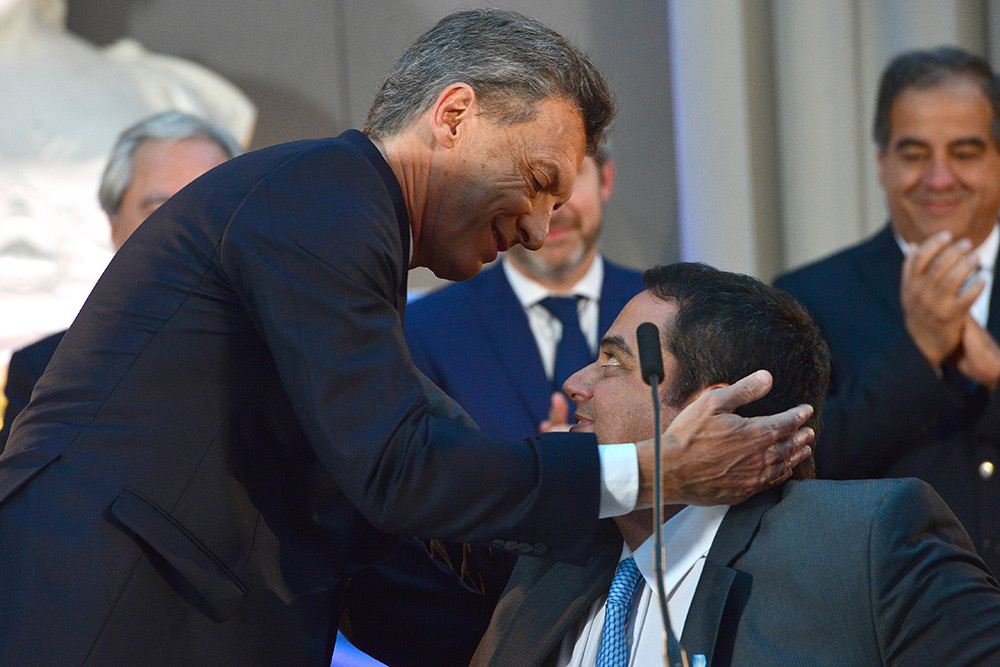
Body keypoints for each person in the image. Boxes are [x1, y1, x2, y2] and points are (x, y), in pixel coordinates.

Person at [0, 10, 812, 666]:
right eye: (538, 182)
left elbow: (368, 545)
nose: (538, 229)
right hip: (105, 615)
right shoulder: (319, 196)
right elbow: (398, 468)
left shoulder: (348, 236)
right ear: (453, 116)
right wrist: (646, 472)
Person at [470, 263, 1000, 666]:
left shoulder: (866, 542)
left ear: (717, 409)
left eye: (613, 362)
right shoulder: (549, 559)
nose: (575, 384)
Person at [775, 46, 1000, 574]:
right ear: (882, 163)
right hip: (890, 609)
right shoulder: (809, 296)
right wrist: (918, 353)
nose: (939, 178)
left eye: (965, 152)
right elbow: (797, 471)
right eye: (915, 154)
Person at [0, 110, 242, 449]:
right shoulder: (49, 371)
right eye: (159, 211)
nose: (187, 233)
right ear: (115, 226)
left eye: (209, 210)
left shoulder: (291, 354)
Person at [405, 144, 643, 438]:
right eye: (529, 182)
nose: (552, 209)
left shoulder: (667, 310)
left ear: (605, 180)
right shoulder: (425, 330)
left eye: (568, 177)